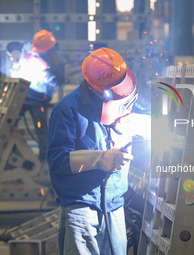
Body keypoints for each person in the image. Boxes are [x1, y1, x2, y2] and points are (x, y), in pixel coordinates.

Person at [47, 48, 143, 255]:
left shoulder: (127, 100)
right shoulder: (67, 110)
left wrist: (140, 123)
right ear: (98, 90)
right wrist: (101, 159)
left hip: (115, 206)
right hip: (81, 208)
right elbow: (58, 160)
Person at [6, 30, 64, 161]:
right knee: (9, 124)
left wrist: (47, 75)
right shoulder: (26, 49)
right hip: (21, 95)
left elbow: (59, 81)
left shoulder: (56, 62)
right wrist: (14, 53)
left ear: (49, 49)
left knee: (41, 130)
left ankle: (44, 160)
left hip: (39, 100)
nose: (36, 51)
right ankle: (10, 155)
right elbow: (11, 46)